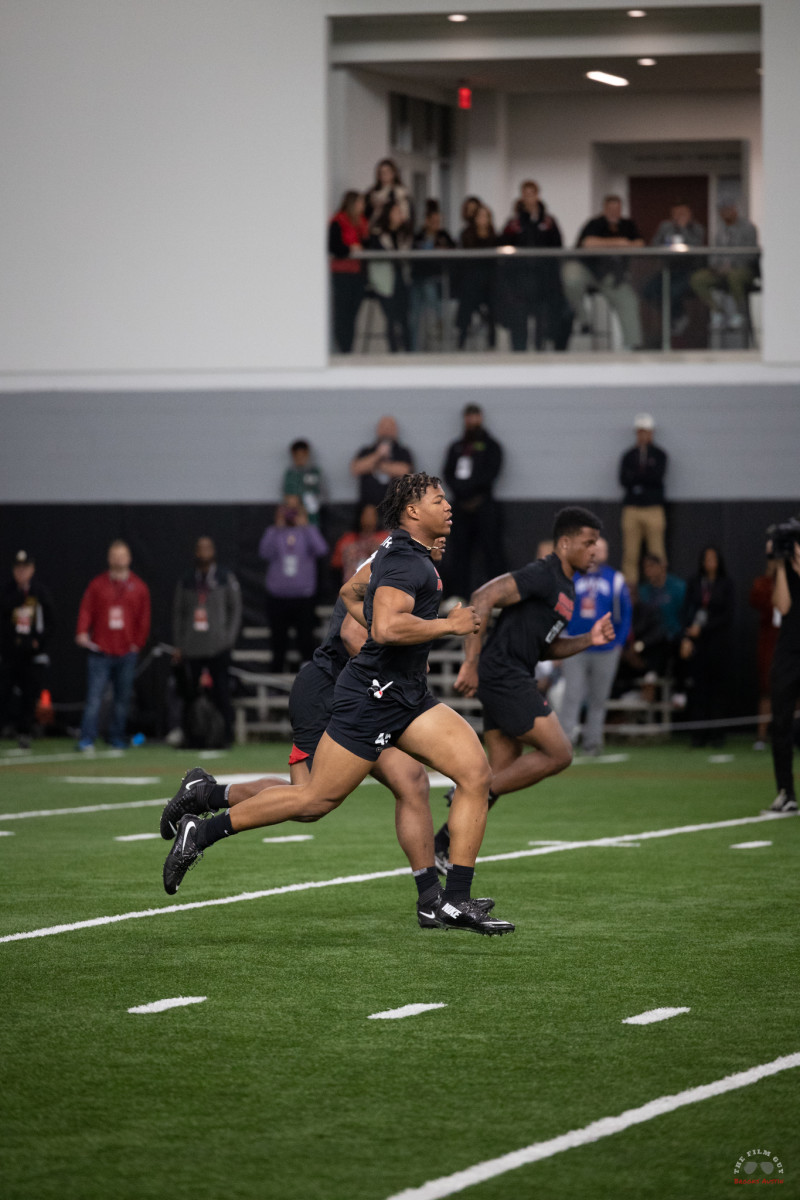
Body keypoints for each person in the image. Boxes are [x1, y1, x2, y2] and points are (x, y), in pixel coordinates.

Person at [163, 472, 516, 935]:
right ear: (413, 511)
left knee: (473, 773)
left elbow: (351, 594)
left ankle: (450, 901)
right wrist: (445, 627)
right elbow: (386, 630)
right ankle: (202, 828)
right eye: (438, 499)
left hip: (402, 693)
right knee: (313, 799)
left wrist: (402, 637)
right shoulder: (406, 561)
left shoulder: (403, 552)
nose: (448, 506)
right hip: (367, 695)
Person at [433, 507, 614, 869]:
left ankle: (442, 845)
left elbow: (546, 647)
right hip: (504, 673)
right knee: (560, 753)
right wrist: (471, 660)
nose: (595, 550)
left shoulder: (567, 588)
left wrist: (588, 639)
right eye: (588, 542)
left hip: (512, 673)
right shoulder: (544, 573)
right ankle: (473, 792)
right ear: (564, 543)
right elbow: (482, 596)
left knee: (499, 769)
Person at [558, 538, 632, 756]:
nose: (596, 552)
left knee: (598, 698)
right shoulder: (572, 576)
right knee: (572, 694)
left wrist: (619, 642)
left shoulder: (615, 579)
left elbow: (625, 614)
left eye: (601, 548)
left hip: (606, 648)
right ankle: (564, 744)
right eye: (592, 547)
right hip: (575, 645)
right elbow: (562, 609)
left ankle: (593, 742)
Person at [75, 540, 150, 750]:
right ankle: (87, 737)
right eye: (114, 555)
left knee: (122, 699)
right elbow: (86, 610)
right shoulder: (97, 585)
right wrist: (82, 631)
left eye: (122, 555)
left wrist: (138, 643)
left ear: (129, 558)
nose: (118, 559)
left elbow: (143, 618)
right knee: (94, 697)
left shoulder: (139, 587)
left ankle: (116, 736)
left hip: (126, 650)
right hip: (101, 649)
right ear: (109, 558)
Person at [172, 536, 242, 748]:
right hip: (192, 646)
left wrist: (228, 639)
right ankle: (191, 736)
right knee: (190, 694)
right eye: (200, 548)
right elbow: (178, 613)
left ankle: (226, 736)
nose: (204, 552)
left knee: (221, 692)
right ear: (195, 552)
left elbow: (235, 609)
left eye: (207, 548)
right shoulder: (186, 580)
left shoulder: (224, 577)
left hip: (218, 646)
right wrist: (180, 644)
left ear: (213, 551)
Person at [561, 195, 644, 350]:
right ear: (604, 209)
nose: (614, 212)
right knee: (570, 276)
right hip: (587, 269)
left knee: (629, 301)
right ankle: (583, 319)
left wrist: (611, 245)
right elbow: (588, 244)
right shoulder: (595, 223)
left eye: (617, 209)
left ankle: (633, 346)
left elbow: (639, 244)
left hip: (612, 276)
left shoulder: (627, 225)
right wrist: (619, 243)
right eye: (611, 209)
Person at [441, 403, 506, 599]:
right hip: (460, 508)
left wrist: (473, 494)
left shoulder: (492, 446)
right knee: (459, 554)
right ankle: (458, 597)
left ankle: (497, 596)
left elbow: (491, 473)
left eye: (475, 417)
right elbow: (448, 473)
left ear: (481, 418)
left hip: (484, 506)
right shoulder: (457, 447)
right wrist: (462, 495)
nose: (472, 421)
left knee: (492, 553)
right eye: (468, 417)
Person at [499, 180, 572, 352]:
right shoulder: (514, 224)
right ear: (522, 197)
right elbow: (505, 246)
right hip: (520, 280)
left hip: (544, 279)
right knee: (519, 318)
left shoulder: (548, 222)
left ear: (537, 195)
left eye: (532, 194)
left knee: (543, 317)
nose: (529, 198)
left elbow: (557, 246)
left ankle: (541, 350)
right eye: (526, 194)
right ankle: (519, 351)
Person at [258, 497, 328, 674]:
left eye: (294, 509)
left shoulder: (307, 531)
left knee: (305, 642)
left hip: (303, 597)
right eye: (287, 508)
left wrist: (306, 525)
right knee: (278, 643)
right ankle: (275, 681)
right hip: (278, 598)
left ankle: (308, 681)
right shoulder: (274, 532)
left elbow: (322, 550)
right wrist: (277, 526)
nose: (291, 512)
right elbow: (263, 552)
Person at [680, 546, 734, 747]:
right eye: (706, 559)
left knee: (717, 691)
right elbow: (686, 611)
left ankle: (717, 734)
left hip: (718, 643)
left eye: (713, 559)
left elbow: (727, 615)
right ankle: (697, 735)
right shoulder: (694, 583)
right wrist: (687, 635)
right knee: (698, 689)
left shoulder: (725, 584)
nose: (710, 562)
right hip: (698, 645)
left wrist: (703, 629)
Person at [0, 551, 55, 748]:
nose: (21, 572)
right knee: (4, 691)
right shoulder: (7, 591)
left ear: (32, 570)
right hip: (10, 653)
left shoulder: (39, 593)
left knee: (29, 695)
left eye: (25, 569)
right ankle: (5, 727)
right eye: (18, 569)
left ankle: (24, 731)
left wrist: (37, 643)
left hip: (31, 654)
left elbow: (50, 622)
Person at [764, 527, 800, 813]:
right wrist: (780, 566)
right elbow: (783, 606)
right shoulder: (785, 568)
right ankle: (785, 791)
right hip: (788, 650)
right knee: (780, 722)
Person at [690, 204, 759, 332]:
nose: (725, 213)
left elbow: (751, 253)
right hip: (720, 269)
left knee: (734, 277)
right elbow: (714, 252)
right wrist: (716, 266)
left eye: (728, 210)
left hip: (743, 269)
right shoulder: (720, 230)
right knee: (698, 279)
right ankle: (718, 312)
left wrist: (732, 265)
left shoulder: (748, 228)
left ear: (735, 210)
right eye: (722, 211)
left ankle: (739, 314)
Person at [643, 200, 706, 339]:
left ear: (690, 215)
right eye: (676, 214)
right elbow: (654, 245)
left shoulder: (697, 228)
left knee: (671, 291)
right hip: (668, 269)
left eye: (683, 213)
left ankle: (678, 318)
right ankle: (675, 316)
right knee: (649, 291)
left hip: (689, 270)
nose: (679, 216)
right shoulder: (665, 227)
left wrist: (682, 228)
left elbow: (696, 246)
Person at [619, 413, 668, 586]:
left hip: (653, 508)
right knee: (630, 553)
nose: (643, 435)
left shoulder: (659, 455)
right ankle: (630, 591)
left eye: (646, 431)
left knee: (657, 551)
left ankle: (659, 585)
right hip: (632, 508)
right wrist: (644, 476)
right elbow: (623, 480)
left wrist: (638, 477)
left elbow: (657, 478)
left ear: (651, 433)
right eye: (640, 432)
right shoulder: (629, 455)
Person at [366, 202, 413, 352]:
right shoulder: (378, 235)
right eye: (396, 212)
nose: (399, 215)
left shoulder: (405, 234)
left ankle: (408, 352)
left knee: (404, 318)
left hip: (402, 278)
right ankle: (393, 353)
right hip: (385, 281)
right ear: (388, 215)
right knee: (391, 319)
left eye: (400, 212)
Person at [410, 199, 455, 351]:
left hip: (437, 279)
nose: (437, 224)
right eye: (434, 221)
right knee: (414, 315)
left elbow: (453, 252)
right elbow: (413, 256)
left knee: (429, 287)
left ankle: (439, 320)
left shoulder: (444, 235)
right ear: (427, 221)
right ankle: (414, 348)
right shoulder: (419, 236)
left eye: (439, 221)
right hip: (418, 278)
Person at [328, 191, 369, 353]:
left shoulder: (363, 223)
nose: (363, 207)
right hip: (342, 273)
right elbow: (333, 246)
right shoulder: (338, 221)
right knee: (342, 314)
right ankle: (342, 348)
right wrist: (350, 249)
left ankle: (349, 349)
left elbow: (368, 244)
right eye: (360, 203)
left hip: (358, 274)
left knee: (352, 314)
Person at [456, 204, 498, 349]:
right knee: (466, 309)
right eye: (480, 216)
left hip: (490, 281)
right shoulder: (467, 235)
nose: (483, 219)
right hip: (471, 280)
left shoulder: (494, 236)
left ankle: (492, 342)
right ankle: (461, 342)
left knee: (492, 308)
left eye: (485, 216)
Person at [350, 415, 414, 509]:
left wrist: (375, 466)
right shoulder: (366, 451)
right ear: (377, 430)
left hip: (397, 503)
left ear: (396, 430)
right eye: (383, 427)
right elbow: (355, 469)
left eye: (390, 428)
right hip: (369, 504)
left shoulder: (403, 452)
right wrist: (378, 454)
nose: (386, 431)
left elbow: (406, 471)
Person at [749, 559, 780, 750]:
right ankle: (762, 736)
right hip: (769, 642)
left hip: (792, 640)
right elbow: (755, 600)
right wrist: (772, 575)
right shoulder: (764, 582)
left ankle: (794, 734)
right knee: (767, 689)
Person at [330, 503, 386, 586]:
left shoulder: (385, 538)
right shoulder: (347, 539)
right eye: (366, 514)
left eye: (372, 515)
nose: (369, 518)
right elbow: (336, 564)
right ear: (360, 516)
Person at [282, 438, 323, 527]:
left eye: (303, 455)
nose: (300, 459)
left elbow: (319, 494)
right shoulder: (291, 474)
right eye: (297, 456)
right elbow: (290, 498)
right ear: (293, 456)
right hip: (295, 516)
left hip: (313, 515)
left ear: (308, 454)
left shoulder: (314, 472)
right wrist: (299, 510)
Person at [364, 158, 413, 228]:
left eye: (386, 172)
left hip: (396, 230)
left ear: (393, 174)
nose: (383, 175)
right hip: (376, 229)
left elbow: (407, 214)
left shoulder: (400, 192)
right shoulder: (372, 193)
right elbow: (366, 214)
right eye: (381, 172)